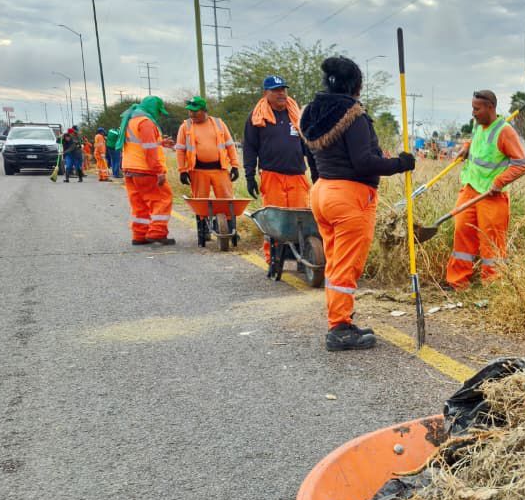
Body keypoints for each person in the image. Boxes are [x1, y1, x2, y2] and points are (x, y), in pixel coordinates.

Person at [300, 56, 415, 351]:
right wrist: (400, 163)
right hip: (349, 197)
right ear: (356, 84)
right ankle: (339, 328)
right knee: (346, 265)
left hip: (322, 190)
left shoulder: (310, 113)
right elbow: (364, 162)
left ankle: (341, 319)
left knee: (335, 262)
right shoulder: (353, 116)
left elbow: (311, 156)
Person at [443, 90, 525, 291]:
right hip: (470, 188)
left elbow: (521, 163)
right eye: (473, 108)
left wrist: (499, 182)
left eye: (476, 108)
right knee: (462, 232)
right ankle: (458, 283)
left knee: (491, 242)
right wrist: (466, 146)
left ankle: (493, 286)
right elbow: (477, 140)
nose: (473, 113)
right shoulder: (479, 124)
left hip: (492, 195)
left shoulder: (505, 132)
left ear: (490, 107)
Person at [243, 74, 316, 261]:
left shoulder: (297, 115)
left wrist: (317, 169)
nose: (281, 93)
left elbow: (308, 145)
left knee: (302, 218)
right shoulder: (256, 117)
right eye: (276, 90)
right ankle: (274, 257)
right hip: (272, 175)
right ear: (266, 93)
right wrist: (249, 175)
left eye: (283, 89)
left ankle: (303, 256)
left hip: (297, 175)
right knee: (274, 221)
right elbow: (250, 147)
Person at [119, 96, 174, 245]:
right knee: (162, 200)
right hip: (146, 170)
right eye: (158, 111)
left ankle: (139, 234)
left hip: (130, 169)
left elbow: (139, 144)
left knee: (139, 204)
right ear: (153, 109)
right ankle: (157, 232)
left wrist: (161, 143)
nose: (158, 114)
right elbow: (149, 150)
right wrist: (159, 171)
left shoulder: (131, 120)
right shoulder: (146, 123)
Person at [175, 96, 239, 198]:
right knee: (201, 202)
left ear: (204, 111)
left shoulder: (219, 124)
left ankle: (225, 214)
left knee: (226, 201)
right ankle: (201, 215)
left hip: (220, 170)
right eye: (190, 111)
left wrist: (235, 166)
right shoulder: (185, 127)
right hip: (198, 171)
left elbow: (230, 146)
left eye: (195, 111)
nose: (192, 114)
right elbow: (180, 151)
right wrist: (182, 170)